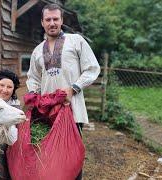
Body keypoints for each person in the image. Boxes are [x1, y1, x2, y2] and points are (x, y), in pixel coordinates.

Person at [26, 3, 101, 180]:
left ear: (61, 20)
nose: (52, 23)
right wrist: (34, 95)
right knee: (48, 157)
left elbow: (92, 68)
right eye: (48, 19)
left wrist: (74, 88)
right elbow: (33, 77)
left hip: (72, 110)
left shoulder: (76, 41)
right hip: (47, 113)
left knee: (71, 158)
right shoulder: (37, 50)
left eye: (55, 19)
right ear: (42, 23)